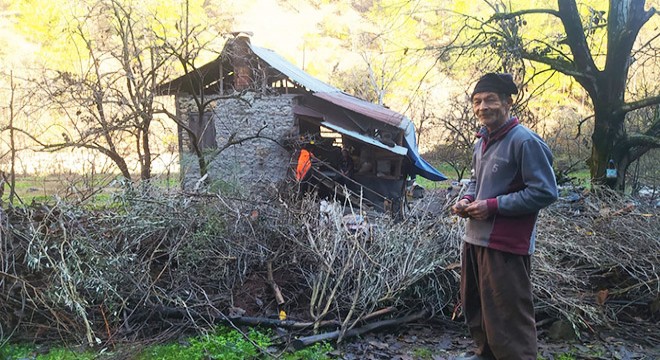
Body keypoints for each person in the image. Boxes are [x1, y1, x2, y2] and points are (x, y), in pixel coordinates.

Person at [451, 73, 558, 360]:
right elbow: (475, 181)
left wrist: (493, 206)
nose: (482, 107)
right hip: (475, 238)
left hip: (506, 244)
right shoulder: (481, 141)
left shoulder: (524, 141)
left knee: (509, 315)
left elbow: (545, 191)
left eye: (490, 100)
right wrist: (466, 199)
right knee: (476, 306)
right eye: (477, 101)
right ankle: (485, 354)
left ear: (508, 103)